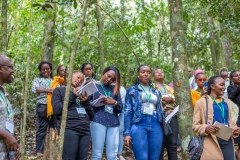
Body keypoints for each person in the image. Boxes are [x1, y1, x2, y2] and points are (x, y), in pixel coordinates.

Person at [193, 76, 240, 160]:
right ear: (212, 86)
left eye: (224, 85)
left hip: (227, 138)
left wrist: (235, 129)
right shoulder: (200, 102)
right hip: (211, 140)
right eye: (221, 85)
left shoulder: (226, 102)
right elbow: (195, 125)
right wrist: (205, 128)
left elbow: (229, 121)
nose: (224, 87)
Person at [124, 65, 163, 160]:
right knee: (142, 157)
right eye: (143, 72)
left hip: (155, 124)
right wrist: (126, 133)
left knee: (154, 157)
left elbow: (159, 109)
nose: (146, 74)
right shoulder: (132, 90)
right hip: (139, 124)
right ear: (138, 75)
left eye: (148, 72)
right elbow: (127, 111)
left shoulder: (156, 91)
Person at [52, 71, 94, 160]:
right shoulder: (59, 90)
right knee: (69, 157)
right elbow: (57, 110)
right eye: (78, 77)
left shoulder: (83, 93)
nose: (79, 81)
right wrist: (73, 95)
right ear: (70, 76)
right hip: (70, 128)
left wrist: (86, 102)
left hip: (85, 130)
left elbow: (91, 116)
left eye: (81, 80)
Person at [89, 66, 123, 160]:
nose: (109, 80)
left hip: (114, 123)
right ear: (104, 72)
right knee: (97, 154)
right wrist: (97, 101)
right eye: (108, 76)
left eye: (112, 79)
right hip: (98, 121)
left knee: (112, 155)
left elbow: (120, 108)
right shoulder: (93, 86)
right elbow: (86, 105)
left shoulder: (115, 89)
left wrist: (115, 103)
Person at [152, 68, 178, 160]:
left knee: (172, 144)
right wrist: (163, 99)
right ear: (153, 76)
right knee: (160, 144)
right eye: (157, 72)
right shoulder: (151, 87)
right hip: (159, 116)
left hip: (172, 116)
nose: (160, 73)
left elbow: (175, 100)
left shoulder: (169, 88)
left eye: (161, 72)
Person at [31, 61, 53, 156]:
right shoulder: (37, 80)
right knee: (42, 128)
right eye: (43, 69)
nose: (45, 70)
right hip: (42, 105)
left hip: (53, 106)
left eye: (47, 68)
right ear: (40, 71)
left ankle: (53, 149)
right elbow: (34, 89)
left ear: (50, 70)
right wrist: (48, 90)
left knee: (54, 127)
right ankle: (39, 151)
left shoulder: (54, 80)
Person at [0, 55, 20, 160]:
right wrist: (5, 135)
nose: (12, 71)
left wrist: (14, 142)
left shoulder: (3, 94)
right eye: (10, 67)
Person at [47, 65, 67, 133]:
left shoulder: (70, 80)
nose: (64, 71)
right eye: (62, 70)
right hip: (58, 105)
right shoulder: (56, 80)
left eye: (65, 70)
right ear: (58, 72)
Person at [227, 70, 240, 159]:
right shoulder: (230, 87)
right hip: (237, 117)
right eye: (236, 76)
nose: (239, 77)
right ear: (231, 79)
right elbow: (232, 97)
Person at [117, 85, 126, 160]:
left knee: (120, 132)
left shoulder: (122, 89)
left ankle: (119, 154)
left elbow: (122, 102)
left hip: (120, 111)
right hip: (107, 112)